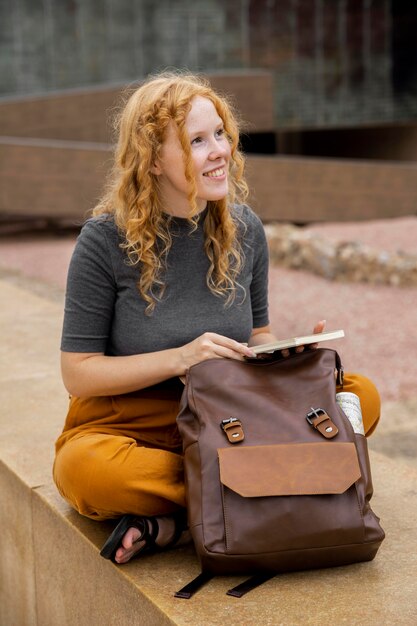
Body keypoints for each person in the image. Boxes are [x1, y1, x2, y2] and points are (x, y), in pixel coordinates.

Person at [53, 71, 380, 565]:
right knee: (86, 472)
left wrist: (286, 356)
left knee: (362, 397)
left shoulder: (244, 227)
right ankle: (277, 491)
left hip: (231, 415)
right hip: (137, 423)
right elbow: (78, 372)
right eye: (197, 141)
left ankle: (186, 514)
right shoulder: (103, 242)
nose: (219, 151)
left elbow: (256, 333)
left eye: (221, 134)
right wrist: (180, 359)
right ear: (154, 159)